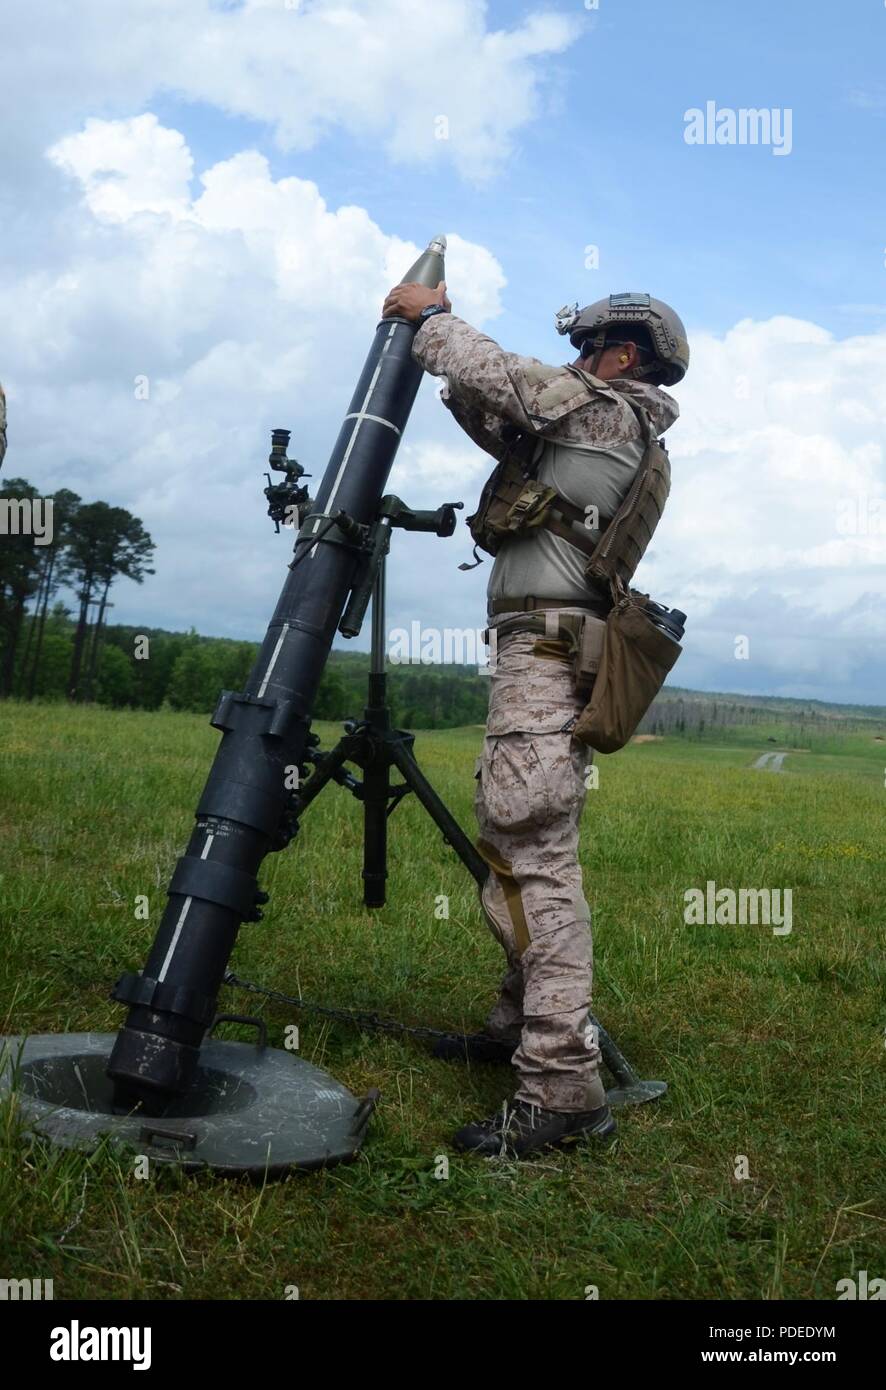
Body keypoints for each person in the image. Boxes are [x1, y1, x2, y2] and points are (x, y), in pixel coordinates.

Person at [382, 282, 688, 1157]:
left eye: (588, 347)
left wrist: (429, 321)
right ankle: (520, 1026)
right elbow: (496, 410)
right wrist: (446, 364)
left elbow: (512, 382)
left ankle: (560, 1087)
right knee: (524, 844)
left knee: (531, 856)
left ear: (622, 358)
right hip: (543, 653)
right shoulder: (590, 424)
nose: (575, 360)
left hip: (545, 656)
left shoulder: (607, 416)